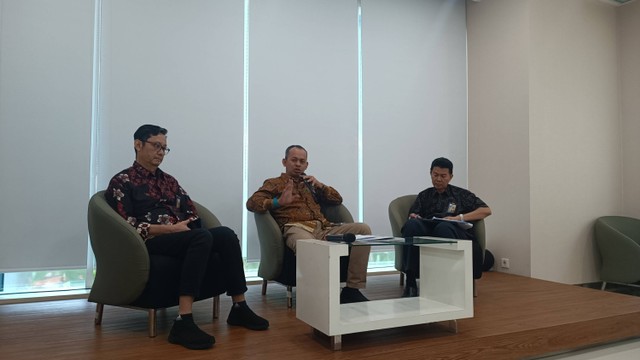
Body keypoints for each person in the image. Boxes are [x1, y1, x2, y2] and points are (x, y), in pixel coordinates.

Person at [105, 124, 269, 350]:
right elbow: (124, 223)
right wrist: (167, 229)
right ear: (138, 145)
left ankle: (239, 307)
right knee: (200, 238)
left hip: (180, 235)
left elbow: (191, 211)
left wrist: (185, 226)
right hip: (148, 241)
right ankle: (183, 320)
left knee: (226, 235)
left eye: (165, 148)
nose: (161, 152)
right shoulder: (122, 181)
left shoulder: (169, 181)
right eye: (156, 146)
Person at [246, 145, 372, 304]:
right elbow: (252, 203)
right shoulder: (274, 183)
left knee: (363, 230)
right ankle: (316, 293)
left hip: (324, 228)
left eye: (302, 161)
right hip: (296, 228)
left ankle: (352, 289)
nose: (298, 164)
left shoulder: (310, 184)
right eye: (294, 160)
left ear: (306, 165)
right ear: (284, 162)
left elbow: (337, 200)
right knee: (308, 244)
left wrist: (321, 186)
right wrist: (277, 202)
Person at [400, 157, 491, 297]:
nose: (438, 179)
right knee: (411, 225)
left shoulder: (461, 195)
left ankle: (446, 282)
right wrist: (414, 216)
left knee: (443, 227)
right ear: (430, 173)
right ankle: (411, 282)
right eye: (435, 175)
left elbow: (486, 210)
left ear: (451, 176)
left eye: (443, 176)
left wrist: (458, 218)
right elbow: (414, 214)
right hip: (429, 227)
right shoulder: (424, 195)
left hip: (453, 229)